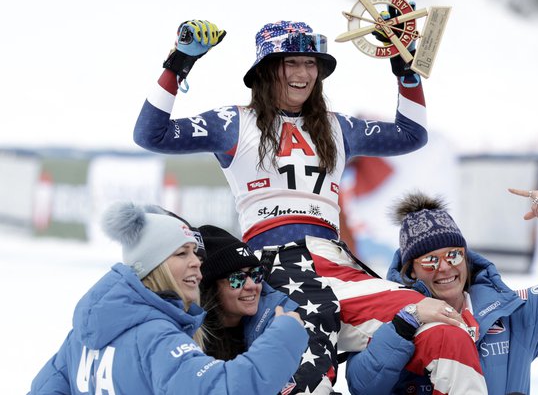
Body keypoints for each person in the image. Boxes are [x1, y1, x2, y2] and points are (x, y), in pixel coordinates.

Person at [133, 19, 486, 393]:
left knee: (440, 323)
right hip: (272, 267)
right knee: (306, 379)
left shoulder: (338, 126)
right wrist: (178, 65)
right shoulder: (233, 122)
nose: (303, 74)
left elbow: (412, 134)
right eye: (291, 63)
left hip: (338, 264)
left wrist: (404, 69)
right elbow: (150, 133)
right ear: (267, 70)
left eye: (311, 64)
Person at [345, 188, 538, 395]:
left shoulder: (514, 313)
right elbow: (362, 386)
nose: (444, 268)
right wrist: (404, 325)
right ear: (411, 270)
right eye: (430, 260)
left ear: (466, 257)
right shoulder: (389, 314)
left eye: (453, 255)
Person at [29, 202, 308, 395]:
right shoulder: (156, 336)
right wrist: (284, 336)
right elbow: (223, 389)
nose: (197, 263)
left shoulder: (81, 336)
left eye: (195, 254)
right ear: (155, 264)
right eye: (181, 253)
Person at [197, 224, 304, 393]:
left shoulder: (276, 324)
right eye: (237, 279)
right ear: (211, 288)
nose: (251, 285)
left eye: (256, 274)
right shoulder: (192, 339)